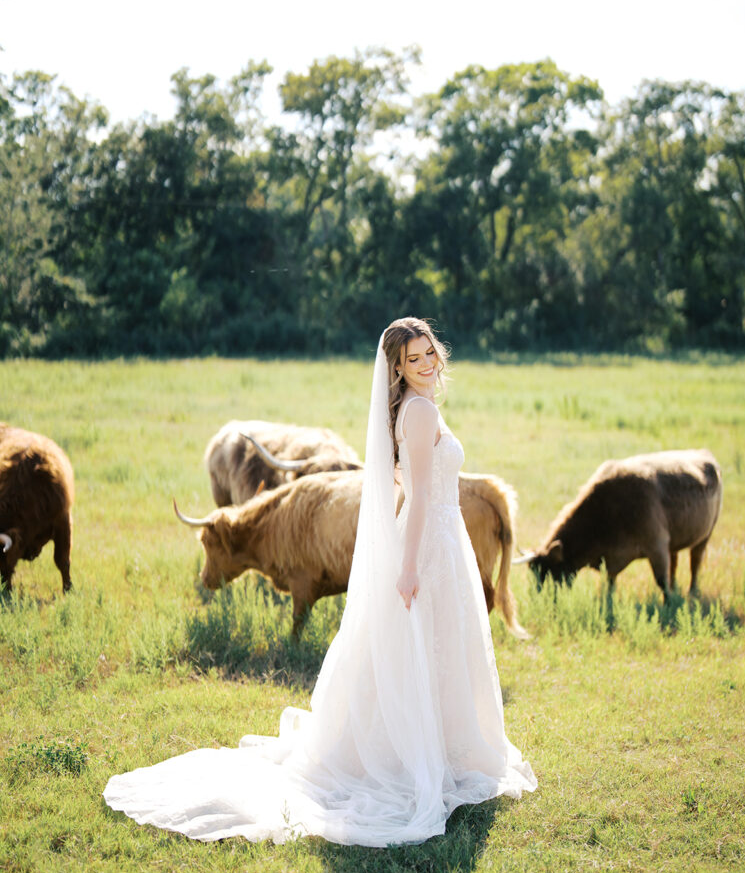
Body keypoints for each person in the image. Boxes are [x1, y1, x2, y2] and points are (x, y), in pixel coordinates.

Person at [103, 317, 536, 846]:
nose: (426, 364)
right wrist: (409, 565)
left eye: (430, 354)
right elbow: (419, 495)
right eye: (414, 358)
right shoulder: (420, 412)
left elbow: (405, 480)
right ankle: (420, 755)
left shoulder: (409, 410)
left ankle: (434, 746)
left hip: (438, 538)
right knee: (434, 644)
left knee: (430, 648)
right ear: (397, 367)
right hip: (431, 543)